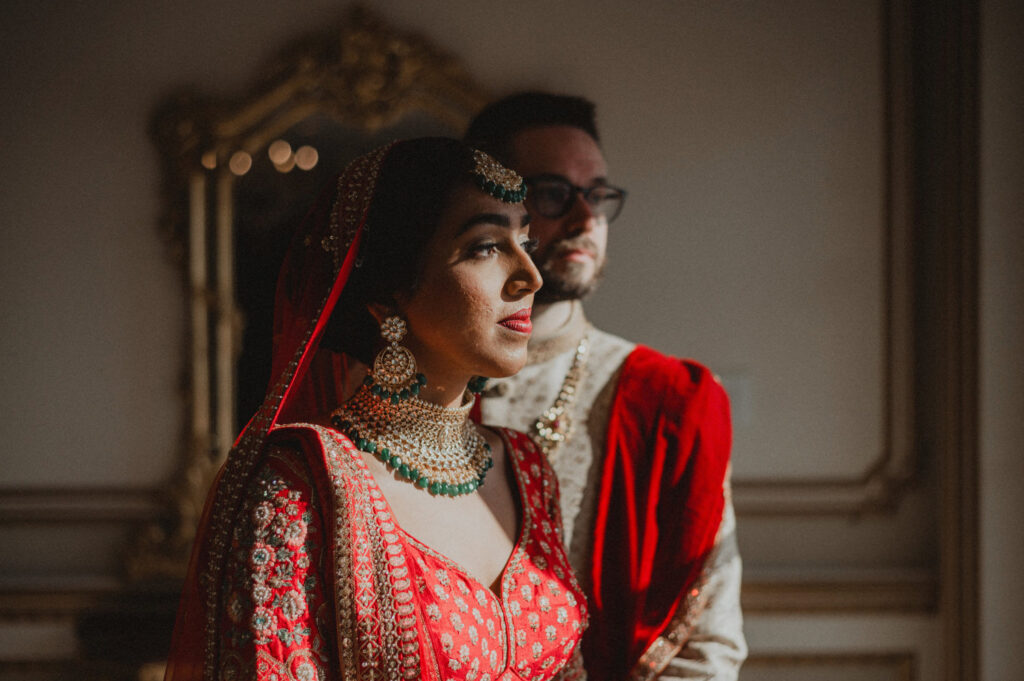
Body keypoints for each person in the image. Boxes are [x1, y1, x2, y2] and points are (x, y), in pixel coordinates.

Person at [164, 138, 589, 681]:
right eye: (486, 246)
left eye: (524, 240)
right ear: (388, 295)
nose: (530, 275)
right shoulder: (299, 488)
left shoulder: (529, 472)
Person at [465, 93, 746, 680]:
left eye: (597, 195)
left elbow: (706, 649)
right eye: (553, 194)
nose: (585, 218)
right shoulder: (406, 385)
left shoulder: (667, 399)